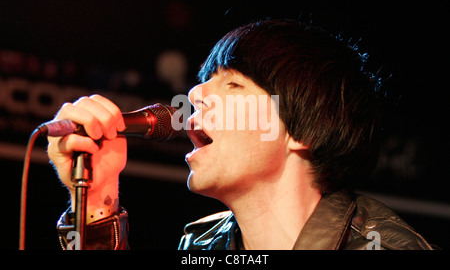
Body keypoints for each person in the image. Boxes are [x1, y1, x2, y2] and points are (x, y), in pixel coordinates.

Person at [49, 19, 433, 250]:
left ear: (301, 130)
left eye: (233, 85)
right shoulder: (204, 245)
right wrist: (97, 200)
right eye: (202, 82)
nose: (195, 94)